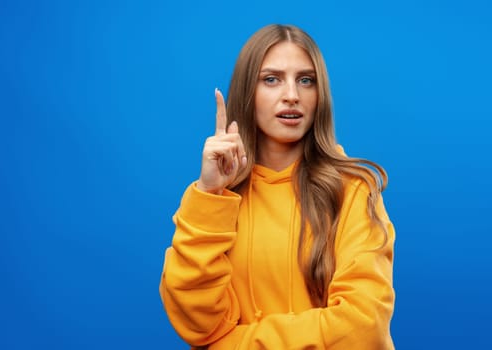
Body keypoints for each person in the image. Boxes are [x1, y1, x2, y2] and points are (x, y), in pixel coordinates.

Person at [159, 24, 395, 349]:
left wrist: (232, 344)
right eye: (271, 79)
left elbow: (362, 329)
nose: (292, 96)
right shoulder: (213, 198)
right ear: (247, 91)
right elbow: (196, 323)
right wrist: (210, 195)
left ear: (319, 94)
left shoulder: (353, 189)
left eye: (305, 80)